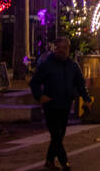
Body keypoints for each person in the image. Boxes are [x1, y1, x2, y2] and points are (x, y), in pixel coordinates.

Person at [30, 38, 91, 171]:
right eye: (59, 48)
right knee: (56, 135)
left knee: (59, 134)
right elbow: (34, 82)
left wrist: (86, 99)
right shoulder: (47, 65)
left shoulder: (73, 66)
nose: (61, 51)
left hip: (65, 105)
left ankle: (49, 161)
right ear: (55, 49)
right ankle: (64, 162)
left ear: (68, 49)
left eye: (64, 48)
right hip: (50, 105)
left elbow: (80, 85)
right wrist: (40, 96)